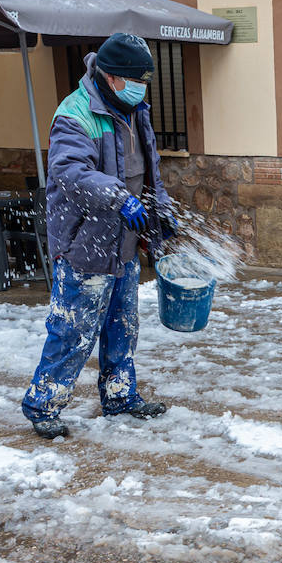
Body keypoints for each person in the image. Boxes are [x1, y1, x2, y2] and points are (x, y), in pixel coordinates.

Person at [22, 32, 176, 439]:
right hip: (85, 245)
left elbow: (148, 170)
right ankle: (43, 404)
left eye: (146, 81)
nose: (142, 88)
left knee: (121, 327)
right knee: (74, 328)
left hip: (122, 245)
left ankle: (120, 397)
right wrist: (119, 198)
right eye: (135, 80)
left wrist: (160, 210)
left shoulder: (135, 108)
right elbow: (71, 172)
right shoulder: (75, 114)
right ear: (111, 78)